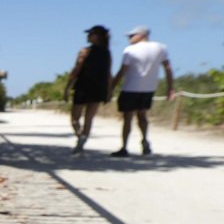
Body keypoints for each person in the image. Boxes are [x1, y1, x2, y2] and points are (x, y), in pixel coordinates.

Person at [109, 25, 174, 157]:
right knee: (142, 116)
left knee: (127, 118)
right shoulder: (161, 47)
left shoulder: (130, 50)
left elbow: (122, 71)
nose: (130, 38)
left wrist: (111, 87)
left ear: (142, 35)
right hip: (148, 88)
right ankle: (144, 141)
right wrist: (170, 87)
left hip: (130, 88)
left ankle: (124, 147)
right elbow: (167, 68)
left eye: (132, 35)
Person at [63, 25, 111, 154]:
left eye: (91, 34)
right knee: (87, 119)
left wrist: (67, 87)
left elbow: (76, 70)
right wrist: (108, 91)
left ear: (98, 36)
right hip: (97, 89)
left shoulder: (85, 51)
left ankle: (81, 139)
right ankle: (82, 139)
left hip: (84, 87)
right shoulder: (106, 53)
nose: (88, 36)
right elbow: (108, 74)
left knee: (75, 118)